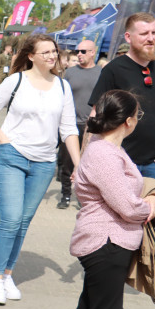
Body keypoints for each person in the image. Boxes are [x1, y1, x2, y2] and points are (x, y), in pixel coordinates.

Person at [59, 90, 155, 309]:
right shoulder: (104, 153)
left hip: (106, 240)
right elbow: (128, 207)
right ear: (128, 120)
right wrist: (154, 205)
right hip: (107, 241)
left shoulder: (105, 149)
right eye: (139, 115)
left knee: (90, 308)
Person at [0, 34, 80, 305]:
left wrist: (79, 164)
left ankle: (9, 273)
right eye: (45, 51)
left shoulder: (62, 87)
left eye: (54, 51)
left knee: (23, 223)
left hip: (44, 164)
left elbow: (69, 129)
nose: (51, 56)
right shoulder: (17, 80)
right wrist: (3, 139)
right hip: (12, 158)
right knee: (11, 219)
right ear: (31, 56)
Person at [88, 13, 155, 182]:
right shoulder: (113, 70)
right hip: (119, 159)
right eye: (144, 34)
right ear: (128, 37)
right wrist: (87, 156)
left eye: (154, 33)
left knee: (152, 208)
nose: (150, 38)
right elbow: (96, 114)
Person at [56, 39, 101, 208]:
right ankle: (66, 195)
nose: (79, 55)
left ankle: (85, 197)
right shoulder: (70, 73)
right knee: (67, 161)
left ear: (92, 52)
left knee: (90, 163)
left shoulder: (101, 73)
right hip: (71, 125)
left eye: (83, 51)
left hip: (93, 126)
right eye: (77, 52)